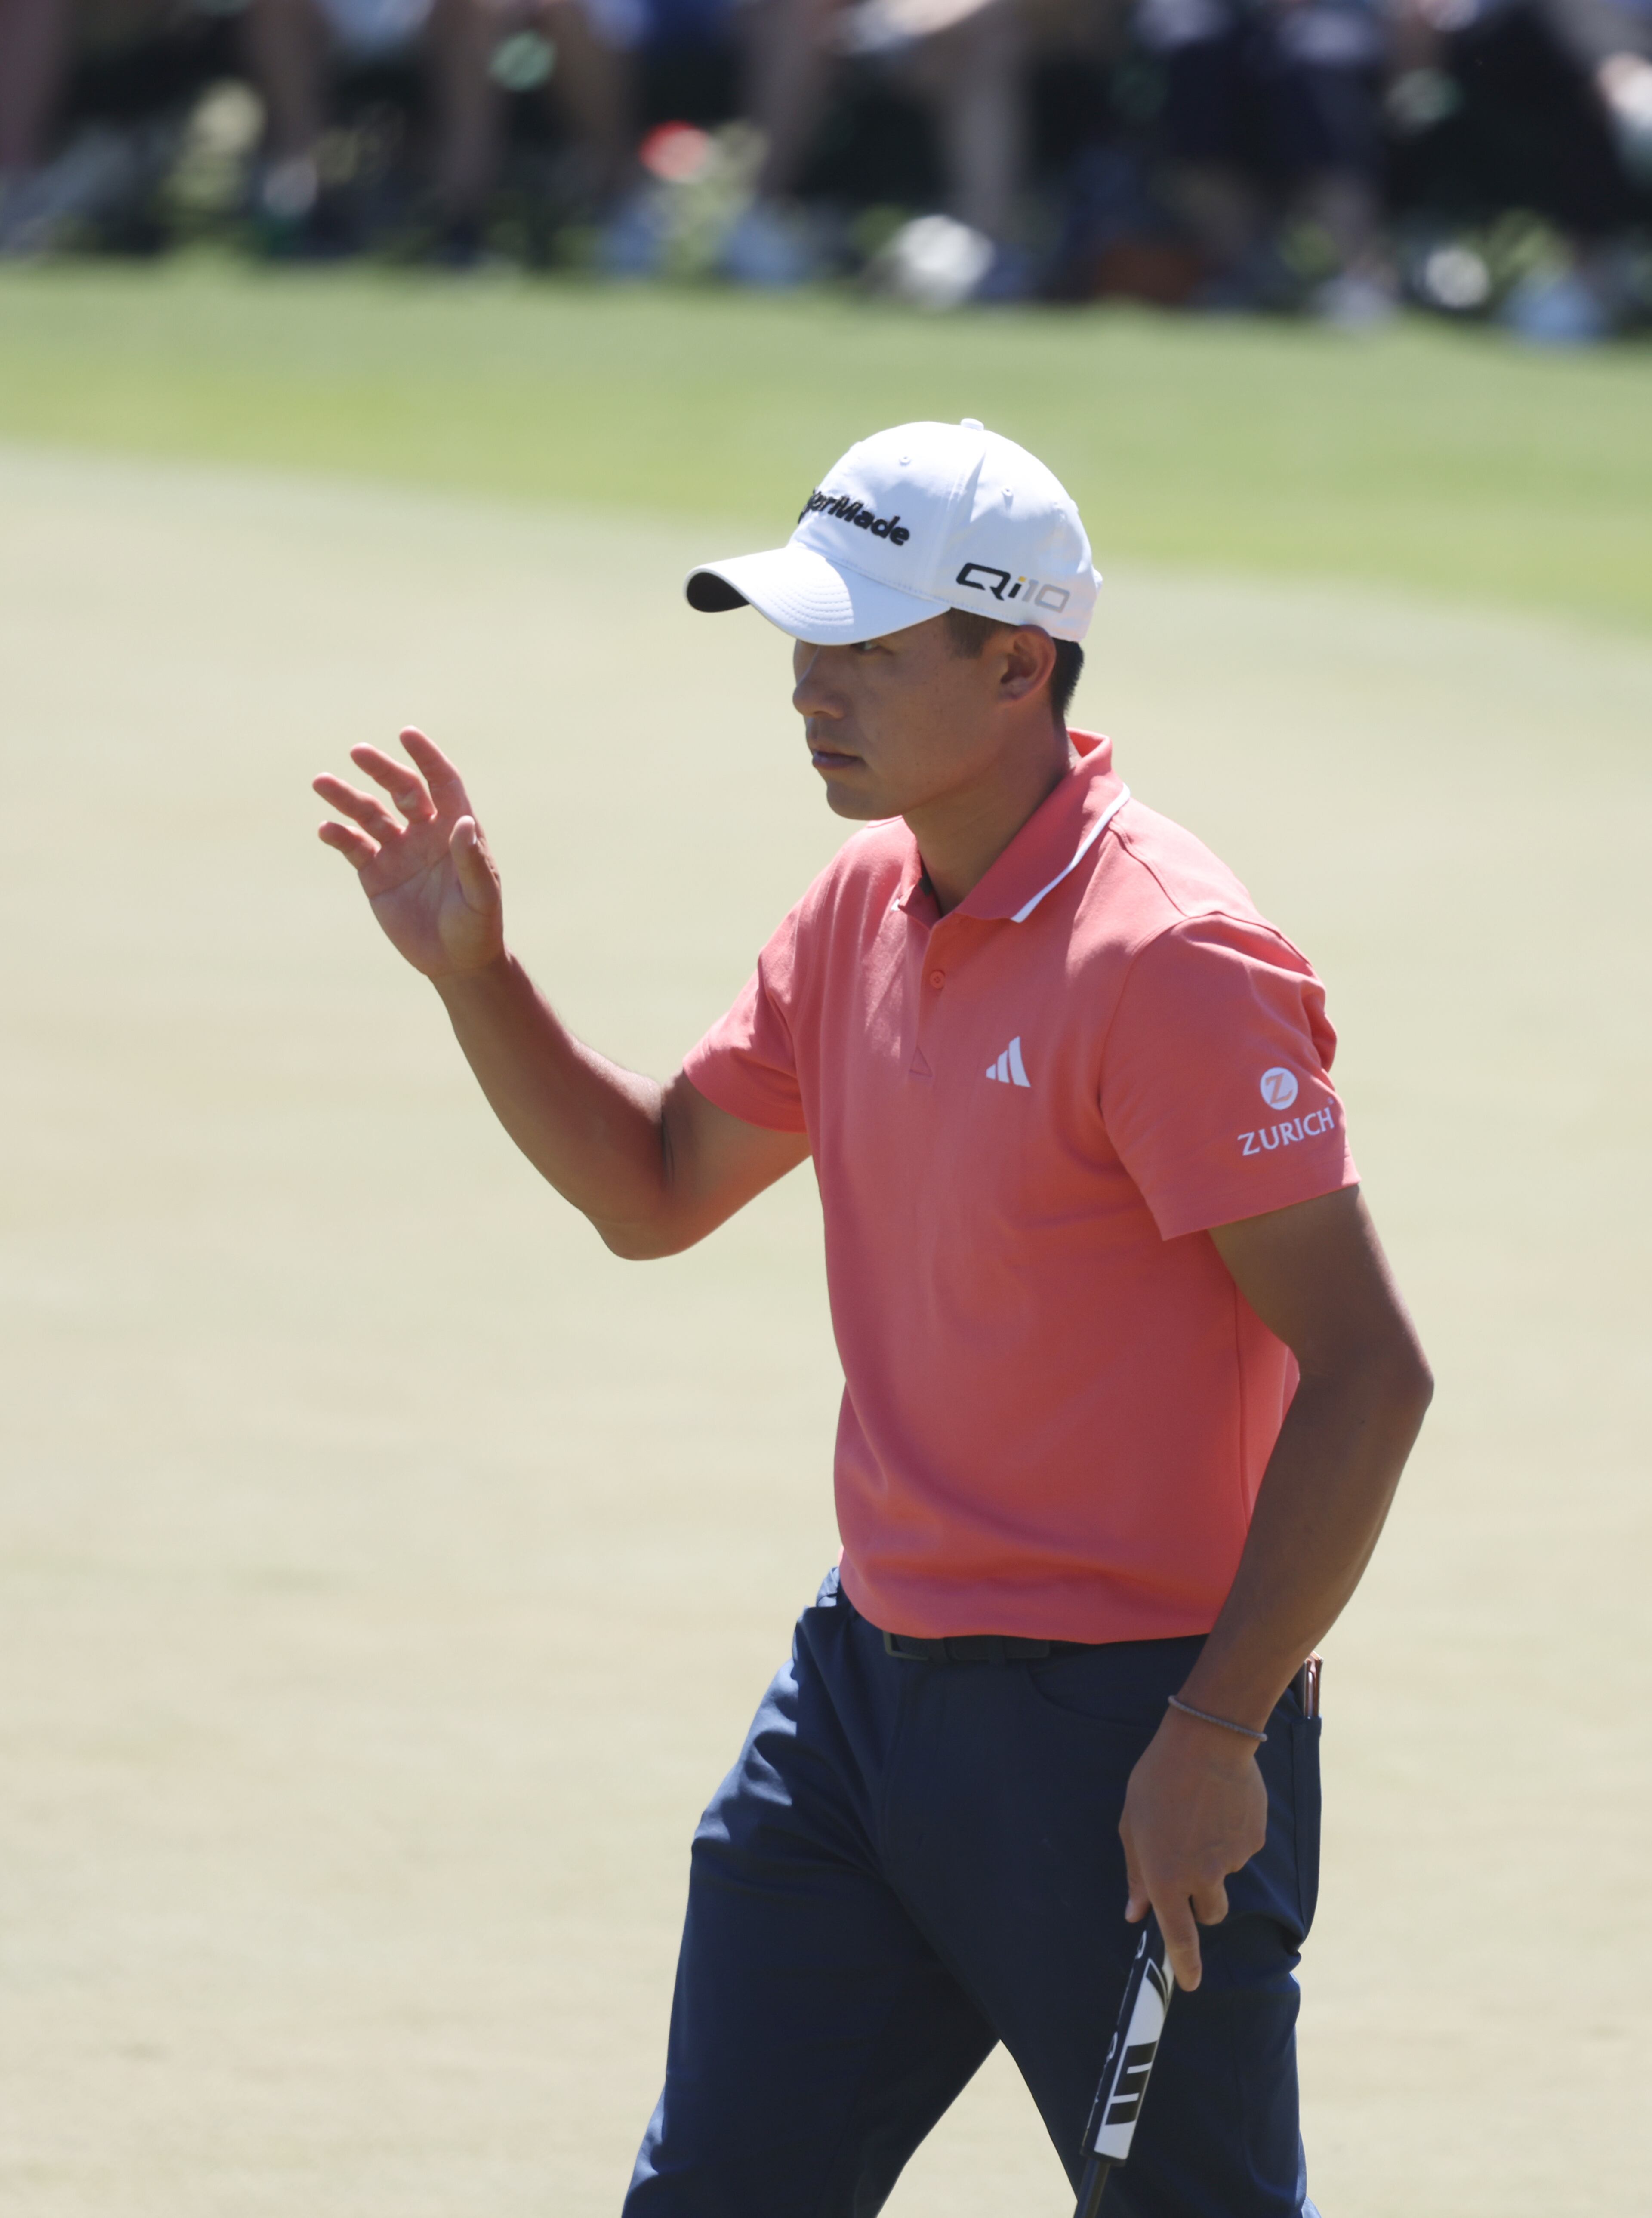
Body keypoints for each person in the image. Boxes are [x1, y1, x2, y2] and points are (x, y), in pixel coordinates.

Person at [314, 417, 1432, 2215]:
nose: (809, 685)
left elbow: (1373, 1376)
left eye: (864, 645)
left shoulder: (1170, 963)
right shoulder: (861, 902)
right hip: (860, 1711)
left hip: (1130, 1734)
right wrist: (480, 980)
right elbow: (656, 1192)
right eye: (802, 640)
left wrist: (1217, 1735)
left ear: (1019, 665)